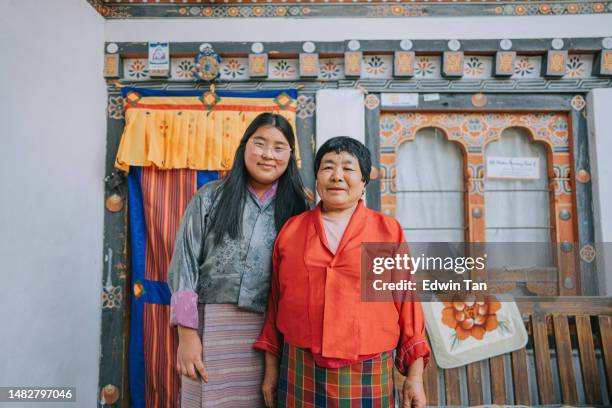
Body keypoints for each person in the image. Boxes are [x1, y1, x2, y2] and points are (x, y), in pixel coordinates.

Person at [254, 136, 431, 408]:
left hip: (368, 367)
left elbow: (407, 304)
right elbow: (276, 302)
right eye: (327, 167)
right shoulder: (291, 231)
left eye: (348, 169)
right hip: (301, 364)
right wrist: (271, 368)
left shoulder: (387, 232)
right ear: (316, 179)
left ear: (363, 183)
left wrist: (415, 376)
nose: (337, 176)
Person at [168, 112, 309, 408]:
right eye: (260, 143)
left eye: (279, 147)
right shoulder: (209, 198)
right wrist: (187, 335)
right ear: (244, 146)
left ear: (290, 155)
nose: (268, 154)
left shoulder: (300, 207)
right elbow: (184, 266)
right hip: (210, 328)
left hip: (271, 335)